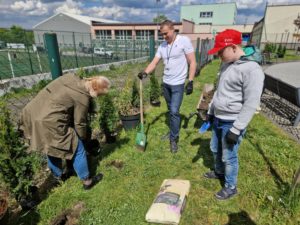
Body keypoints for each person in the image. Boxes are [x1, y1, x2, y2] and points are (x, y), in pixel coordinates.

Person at [19, 73, 111, 190]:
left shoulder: (71, 76)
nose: (97, 97)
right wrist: (83, 139)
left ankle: (58, 177)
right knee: (77, 148)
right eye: (99, 94)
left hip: (33, 113)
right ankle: (87, 181)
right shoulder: (82, 98)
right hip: (49, 121)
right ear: (95, 89)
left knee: (50, 147)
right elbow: (80, 123)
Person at [203, 29, 265, 200]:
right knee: (215, 148)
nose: (218, 55)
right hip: (218, 118)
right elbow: (219, 91)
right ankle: (219, 172)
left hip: (232, 122)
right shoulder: (226, 65)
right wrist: (210, 111)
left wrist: (236, 129)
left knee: (229, 155)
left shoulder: (252, 70)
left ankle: (231, 187)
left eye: (221, 51)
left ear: (233, 47)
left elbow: (251, 103)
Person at [138, 20, 196, 153]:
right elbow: (154, 62)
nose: (164, 37)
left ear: (173, 29)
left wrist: (191, 81)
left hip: (178, 84)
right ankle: (172, 132)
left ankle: (173, 139)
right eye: (162, 34)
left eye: (166, 33)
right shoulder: (162, 46)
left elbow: (192, 61)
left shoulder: (184, 41)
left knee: (175, 111)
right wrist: (145, 72)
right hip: (166, 84)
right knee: (171, 110)